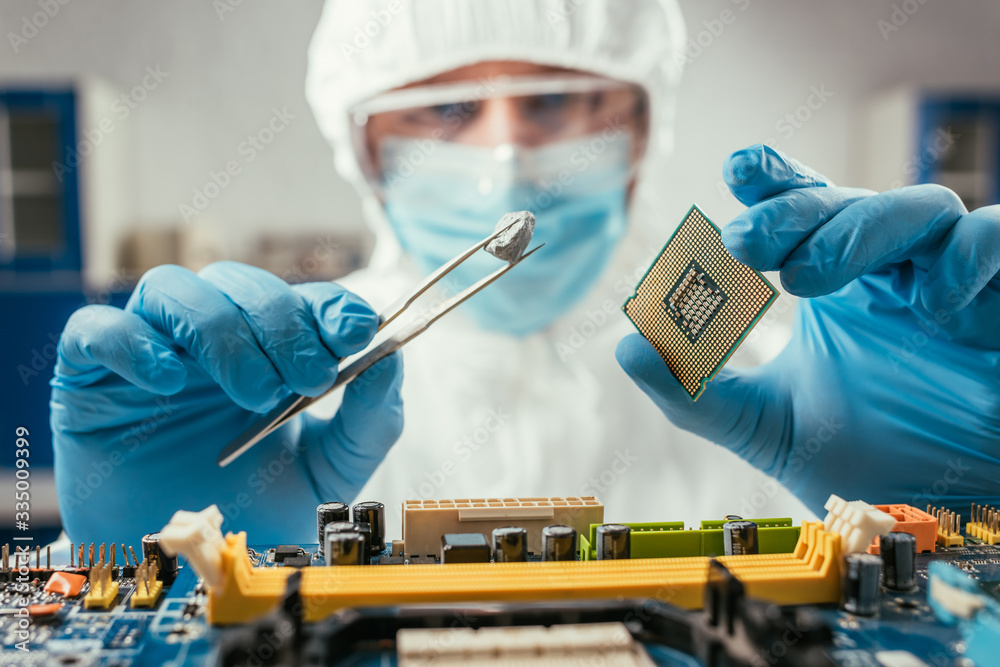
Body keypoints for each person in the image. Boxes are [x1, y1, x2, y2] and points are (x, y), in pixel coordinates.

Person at [51, 0, 998, 551]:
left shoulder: (738, 334)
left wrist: (967, 533)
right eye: (448, 110)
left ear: (641, 127)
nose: (507, 160)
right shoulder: (289, 376)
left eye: (553, 101)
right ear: (363, 148)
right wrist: (147, 573)